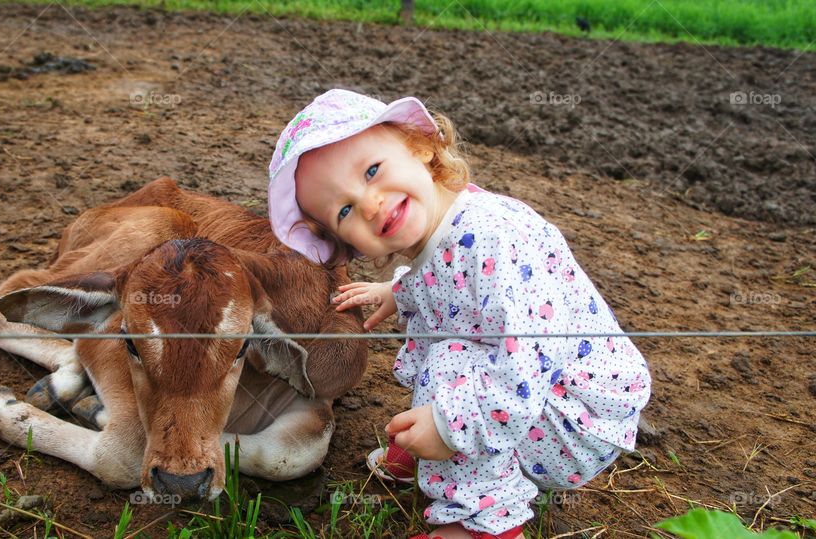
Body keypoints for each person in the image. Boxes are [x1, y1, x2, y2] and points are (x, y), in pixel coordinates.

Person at [267, 89, 652, 539]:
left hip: (575, 420)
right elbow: (452, 285)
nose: (370, 204)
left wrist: (453, 426)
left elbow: (524, 360)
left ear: (421, 147)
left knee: (452, 355)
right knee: (451, 343)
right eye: (346, 209)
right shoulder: (449, 225)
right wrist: (399, 289)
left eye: (373, 171)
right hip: (543, 399)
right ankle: (450, 452)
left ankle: (485, 523)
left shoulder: (494, 237)